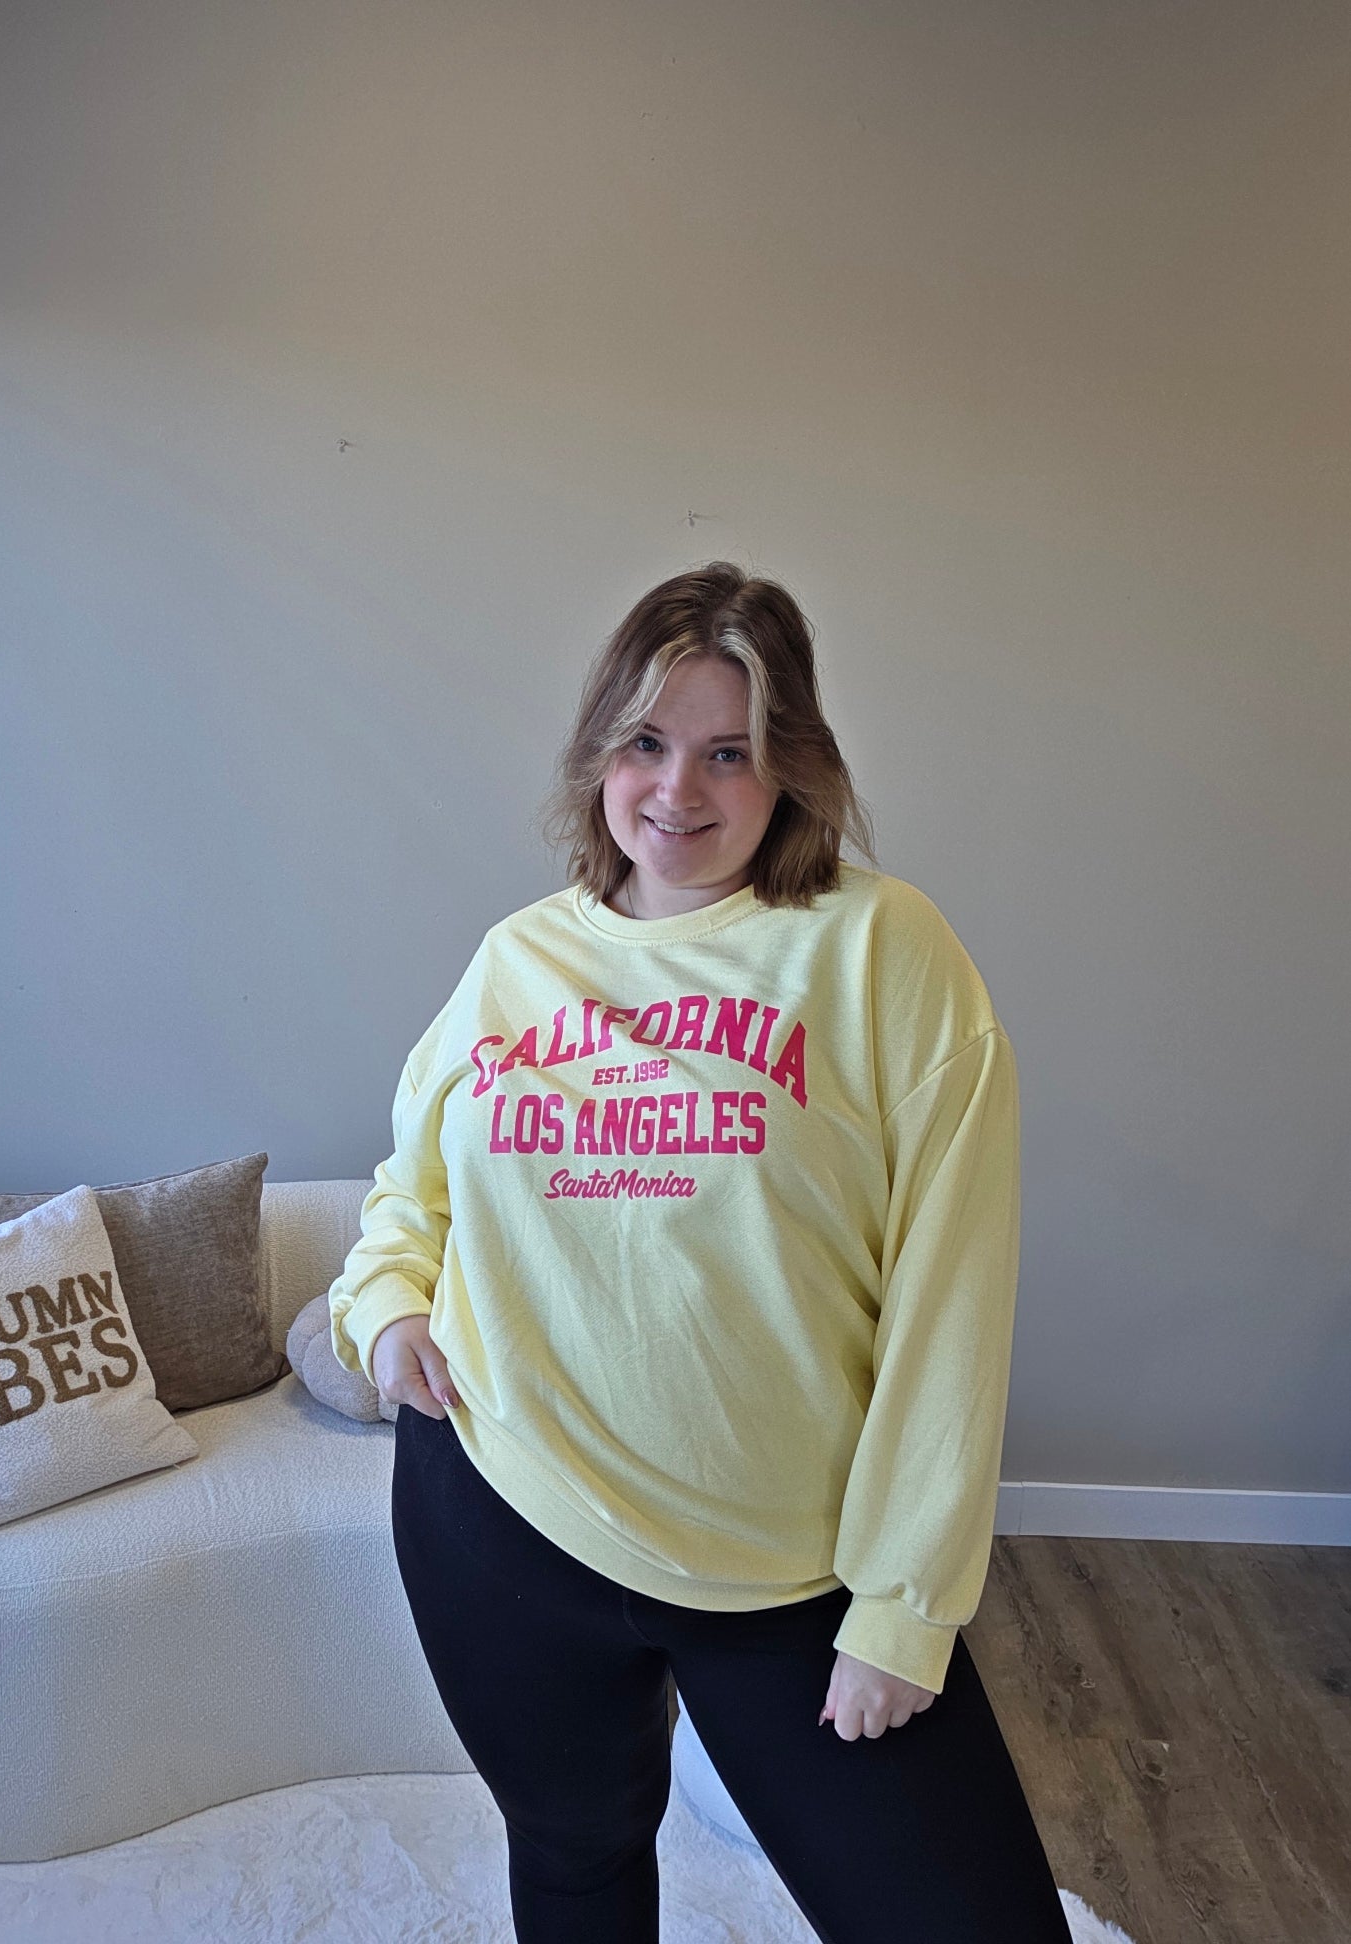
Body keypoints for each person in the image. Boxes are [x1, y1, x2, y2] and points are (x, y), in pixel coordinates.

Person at [329, 562, 1072, 1943]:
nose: (678, 790)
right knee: (574, 1855)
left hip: (784, 1570)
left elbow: (951, 1297)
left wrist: (904, 1607)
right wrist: (384, 1305)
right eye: (646, 742)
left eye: (729, 751)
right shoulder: (516, 960)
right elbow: (410, 1184)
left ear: (791, 767)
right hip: (500, 1513)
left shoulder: (880, 950)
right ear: (598, 756)